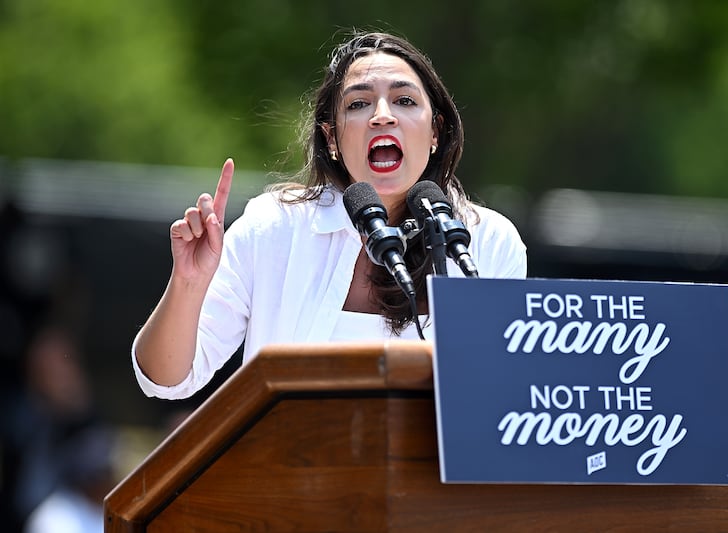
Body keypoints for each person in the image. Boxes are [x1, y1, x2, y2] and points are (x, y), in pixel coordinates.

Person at [132, 31, 527, 400]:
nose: (382, 116)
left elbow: (502, 396)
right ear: (332, 139)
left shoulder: (486, 242)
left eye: (405, 100)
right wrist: (188, 280)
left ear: (436, 130)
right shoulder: (274, 228)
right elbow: (167, 381)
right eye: (359, 104)